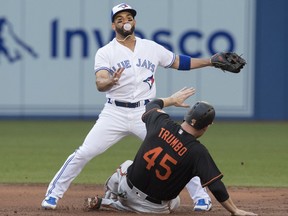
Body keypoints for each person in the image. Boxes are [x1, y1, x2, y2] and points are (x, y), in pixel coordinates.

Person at [41, 3, 233, 211]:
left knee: (178, 150)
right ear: (113, 25)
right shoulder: (106, 52)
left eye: (129, 17)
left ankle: (201, 198)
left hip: (146, 113)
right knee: (84, 152)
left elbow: (179, 62)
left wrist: (211, 62)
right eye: (120, 18)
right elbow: (100, 82)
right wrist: (110, 82)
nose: (126, 21)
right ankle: (53, 195)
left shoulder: (150, 47)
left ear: (135, 21)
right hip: (114, 113)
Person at [84, 87, 258, 215]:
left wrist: (172, 100)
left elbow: (152, 104)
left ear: (187, 116)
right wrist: (235, 211)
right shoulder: (198, 152)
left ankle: (111, 199)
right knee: (175, 202)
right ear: (207, 127)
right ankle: (114, 205)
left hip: (127, 192)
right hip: (155, 209)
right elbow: (217, 187)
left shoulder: (161, 122)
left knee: (126, 165)